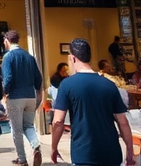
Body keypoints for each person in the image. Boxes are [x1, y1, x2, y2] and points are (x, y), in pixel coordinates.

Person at [50, 38, 134, 166]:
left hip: (83, 153)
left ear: (72, 58)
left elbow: (58, 121)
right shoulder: (109, 85)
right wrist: (130, 151)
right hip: (111, 153)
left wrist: (54, 148)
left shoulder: (67, 85)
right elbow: (123, 122)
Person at [1, 29, 43, 166]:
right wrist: (39, 94)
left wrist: (4, 94)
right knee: (28, 125)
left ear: (7, 41)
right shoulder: (29, 57)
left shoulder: (8, 57)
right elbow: (38, 78)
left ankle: (22, 159)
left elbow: (8, 79)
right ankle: (35, 145)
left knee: (16, 129)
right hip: (30, 96)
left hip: (15, 97)